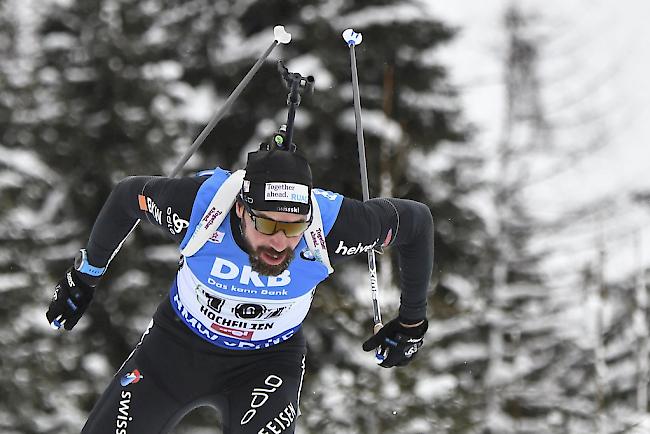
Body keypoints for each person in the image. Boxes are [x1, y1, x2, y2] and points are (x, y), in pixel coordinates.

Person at [46, 138, 433, 434]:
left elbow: (416, 223)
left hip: (267, 362)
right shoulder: (197, 206)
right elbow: (129, 195)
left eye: (293, 227)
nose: (280, 242)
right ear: (241, 209)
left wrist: (413, 322)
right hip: (174, 349)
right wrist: (84, 276)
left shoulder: (334, 226)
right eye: (266, 225)